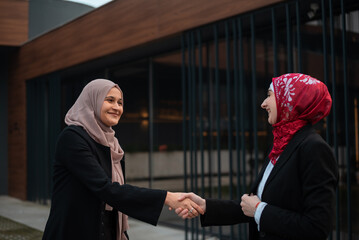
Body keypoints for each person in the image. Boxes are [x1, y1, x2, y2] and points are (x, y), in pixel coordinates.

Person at [176, 73, 339, 240]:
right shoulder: (281, 145)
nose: (263, 104)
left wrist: (259, 210)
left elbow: (316, 228)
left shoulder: (314, 148)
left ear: (291, 100)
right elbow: (253, 205)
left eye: (269, 95)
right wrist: (205, 206)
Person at [42, 79, 204, 240]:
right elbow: (106, 189)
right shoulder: (72, 137)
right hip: (74, 232)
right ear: (92, 101)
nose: (116, 107)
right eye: (110, 100)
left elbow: (116, 199)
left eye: (120, 102)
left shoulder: (113, 144)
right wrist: (167, 198)